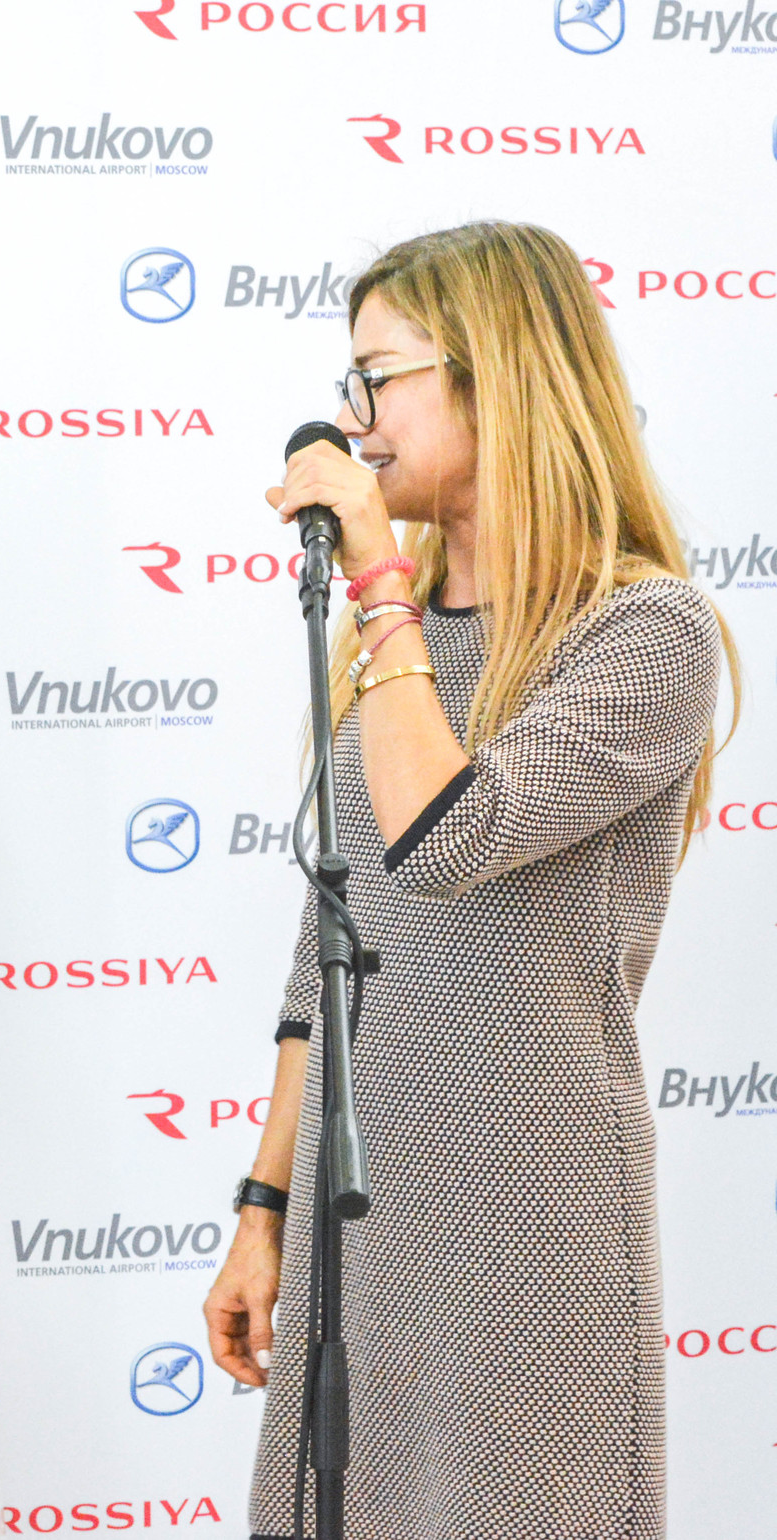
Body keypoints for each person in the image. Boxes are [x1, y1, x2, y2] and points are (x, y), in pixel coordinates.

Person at [203, 221, 738, 1540]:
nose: (353, 420)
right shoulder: (396, 633)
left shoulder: (642, 631)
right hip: (358, 1200)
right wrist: (263, 1206)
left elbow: (445, 837)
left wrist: (379, 584)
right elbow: (329, 939)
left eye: (378, 378)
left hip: (524, 1204)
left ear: (495, 376)